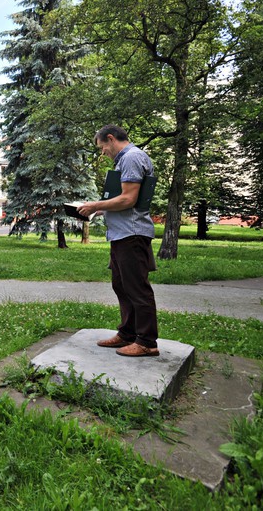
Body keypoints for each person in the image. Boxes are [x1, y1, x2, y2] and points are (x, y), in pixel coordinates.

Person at [77, 124, 159, 357]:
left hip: (131, 234)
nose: (103, 153)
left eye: (103, 148)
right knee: (121, 285)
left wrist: (95, 205)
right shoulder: (127, 159)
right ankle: (128, 333)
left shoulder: (131, 157)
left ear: (111, 139)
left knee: (137, 288)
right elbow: (125, 201)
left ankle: (146, 342)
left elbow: (129, 199)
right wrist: (100, 210)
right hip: (122, 233)